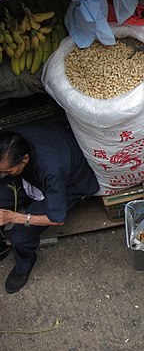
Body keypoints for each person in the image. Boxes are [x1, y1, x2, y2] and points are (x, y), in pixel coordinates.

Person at [0, 121, 99, 293]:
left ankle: (24, 265)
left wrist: (14, 217)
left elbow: (56, 219)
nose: (4, 175)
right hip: (36, 168)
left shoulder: (51, 168)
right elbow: (10, 168)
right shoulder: (9, 142)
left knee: (19, 236)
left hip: (70, 184)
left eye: (7, 172)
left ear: (25, 159)